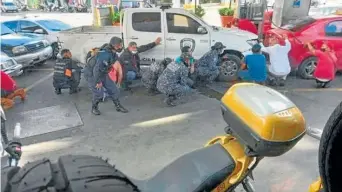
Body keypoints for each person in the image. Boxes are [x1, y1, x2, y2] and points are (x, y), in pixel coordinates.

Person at [83, 36, 128, 115]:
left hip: (102, 72)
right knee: (99, 93)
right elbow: (96, 70)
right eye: (119, 45)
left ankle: (118, 106)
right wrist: (98, 82)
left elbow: (113, 63)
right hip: (92, 74)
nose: (121, 47)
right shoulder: (104, 55)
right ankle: (94, 108)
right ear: (114, 46)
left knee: (114, 89)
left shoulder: (113, 53)